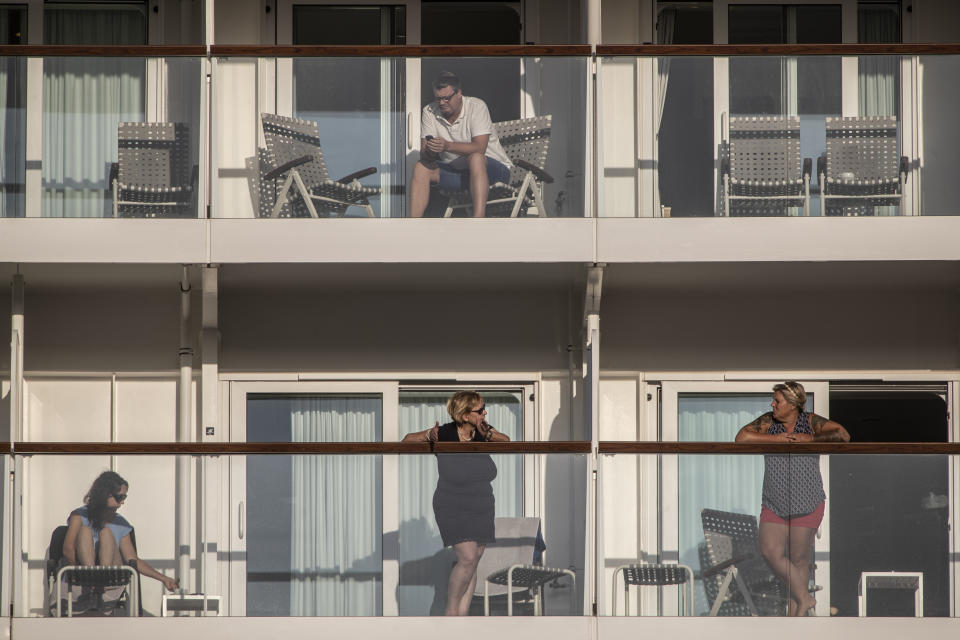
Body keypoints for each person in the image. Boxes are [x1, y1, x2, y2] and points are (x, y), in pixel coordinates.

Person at [735, 381, 849, 616]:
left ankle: (796, 618)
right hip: (774, 502)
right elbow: (742, 438)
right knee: (769, 551)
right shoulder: (768, 422)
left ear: (793, 403)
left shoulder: (810, 422)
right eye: (774, 400)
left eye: (777, 401)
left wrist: (812, 441)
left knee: (798, 560)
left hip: (807, 500)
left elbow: (842, 435)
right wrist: (777, 441)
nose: (772, 404)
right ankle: (805, 598)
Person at [402, 391, 510, 615]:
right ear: (465, 414)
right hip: (452, 503)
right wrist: (430, 435)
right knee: (467, 556)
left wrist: (487, 433)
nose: (484, 412)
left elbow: (507, 442)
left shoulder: (483, 432)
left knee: (475, 559)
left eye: (484, 408)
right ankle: (450, 614)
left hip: (482, 503)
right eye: (480, 410)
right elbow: (406, 440)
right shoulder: (445, 433)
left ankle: (462, 617)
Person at [61, 471, 179, 613]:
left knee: (106, 533)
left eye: (124, 497)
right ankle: (92, 577)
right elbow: (68, 549)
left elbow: (132, 559)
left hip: (110, 576)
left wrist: (164, 579)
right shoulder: (79, 515)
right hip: (83, 573)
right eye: (120, 497)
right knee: (85, 531)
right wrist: (80, 571)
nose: (122, 501)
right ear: (105, 494)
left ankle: (99, 579)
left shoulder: (121, 524)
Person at [410, 71, 513, 218]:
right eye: (438, 98)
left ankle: (478, 220)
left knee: (475, 157)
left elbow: (480, 148)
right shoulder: (429, 110)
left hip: (493, 171)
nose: (441, 103)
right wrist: (431, 150)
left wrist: (447, 146)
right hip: (458, 173)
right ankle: (413, 226)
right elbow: (425, 154)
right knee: (421, 167)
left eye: (446, 98)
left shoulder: (476, 106)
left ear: (459, 94)